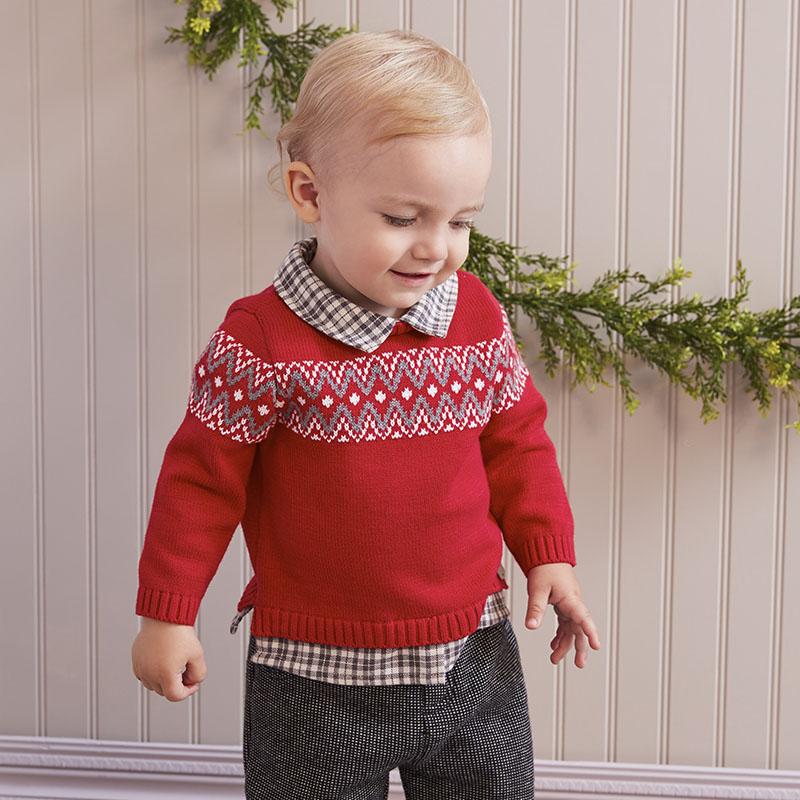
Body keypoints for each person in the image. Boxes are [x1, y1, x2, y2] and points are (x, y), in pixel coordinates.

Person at [131, 28, 601, 799]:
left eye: (460, 220)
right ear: (310, 194)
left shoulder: (475, 317)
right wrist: (167, 614)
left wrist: (549, 554)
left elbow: (518, 444)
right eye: (403, 217)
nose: (436, 248)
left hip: (472, 656)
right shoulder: (261, 340)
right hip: (313, 676)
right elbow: (200, 482)